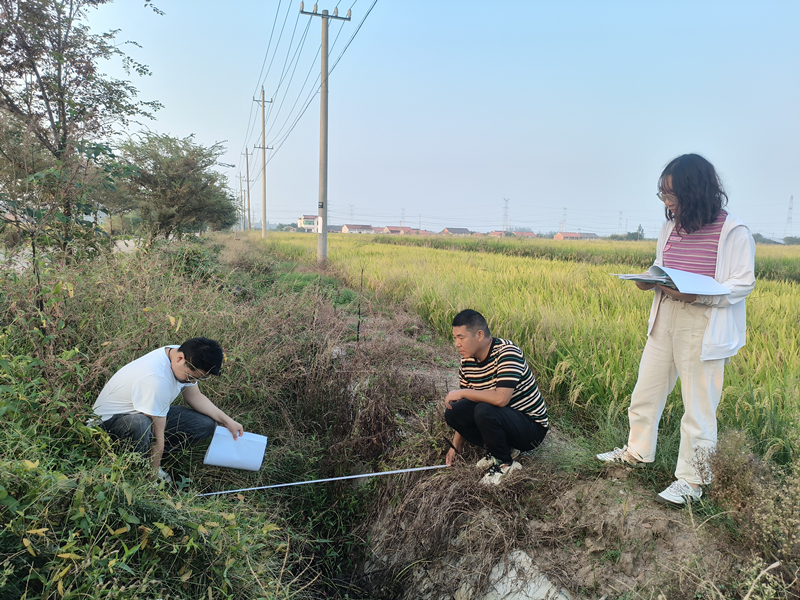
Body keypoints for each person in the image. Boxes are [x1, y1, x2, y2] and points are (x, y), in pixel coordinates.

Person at [596, 154, 756, 506]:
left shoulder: (733, 231)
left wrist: (699, 294)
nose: (668, 204)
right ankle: (636, 452)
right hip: (665, 313)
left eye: (673, 196)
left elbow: (742, 284)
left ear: (696, 192)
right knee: (646, 390)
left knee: (698, 406)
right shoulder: (671, 226)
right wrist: (649, 279)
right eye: (664, 196)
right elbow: (663, 267)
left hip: (702, 321)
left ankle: (691, 481)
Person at [92, 337, 243, 481]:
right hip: (107, 427)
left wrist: (227, 421)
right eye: (191, 377)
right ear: (179, 359)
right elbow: (157, 438)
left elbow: (195, 397)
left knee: (205, 424)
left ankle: (146, 456)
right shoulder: (157, 380)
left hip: (145, 412)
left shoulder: (181, 353)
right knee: (141, 425)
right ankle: (136, 470)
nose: (192, 381)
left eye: (199, 378)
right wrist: (151, 480)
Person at [444, 309, 549, 485]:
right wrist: (455, 445)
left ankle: (505, 463)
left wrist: (461, 392)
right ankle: (502, 449)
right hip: (503, 419)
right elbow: (468, 403)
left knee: (484, 409)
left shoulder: (507, 352)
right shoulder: (466, 363)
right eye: (455, 338)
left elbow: (501, 399)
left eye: (461, 338)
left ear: (479, 335)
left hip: (531, 428)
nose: (456, 344)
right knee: (454, 411)